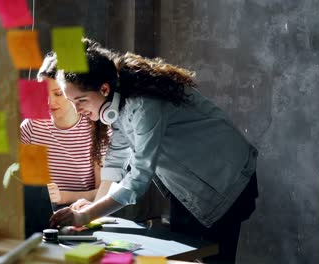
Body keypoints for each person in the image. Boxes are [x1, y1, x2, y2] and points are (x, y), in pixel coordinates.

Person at [49, 39, 259, 263]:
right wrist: (93, 209)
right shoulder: (118, 99)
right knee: (185, 257)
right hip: (189, 186)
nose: (78, 110)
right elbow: (117, 158)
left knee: (210, 258)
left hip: (227, 179)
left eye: (80, 100)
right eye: (72, 102)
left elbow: (138, 179)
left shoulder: (143, 104)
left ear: (104, 88)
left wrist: (86, 215)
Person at [20, 52, 110, 205]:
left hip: (81, 213)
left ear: (70, 92)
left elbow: (103, 193)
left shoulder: (98, 128)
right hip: (39, 214)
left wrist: (63, 197)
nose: (50, 102)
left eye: (58, 94)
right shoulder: (31, 127)